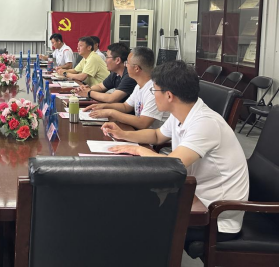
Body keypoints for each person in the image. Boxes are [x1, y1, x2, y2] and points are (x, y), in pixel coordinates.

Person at [103, 60, 250, 243]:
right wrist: (123, 134)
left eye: (154, 90)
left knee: (131, 217)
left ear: (169, 95)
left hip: (215, 217)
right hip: (194, 198)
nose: (153, 95)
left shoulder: (205, 123)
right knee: (128, 206)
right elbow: (157, 135)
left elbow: (172, 166)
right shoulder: (183, 112)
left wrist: (136, 149)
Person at [87, 46, 166, 130]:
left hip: (152, 137)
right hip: (142, 133)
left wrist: (111, 112)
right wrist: (103, 106)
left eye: (127, 63)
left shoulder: (154, 90)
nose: (125, 66)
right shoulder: (139, 86)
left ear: (136, 68)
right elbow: (126, 106)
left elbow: (143, 123)